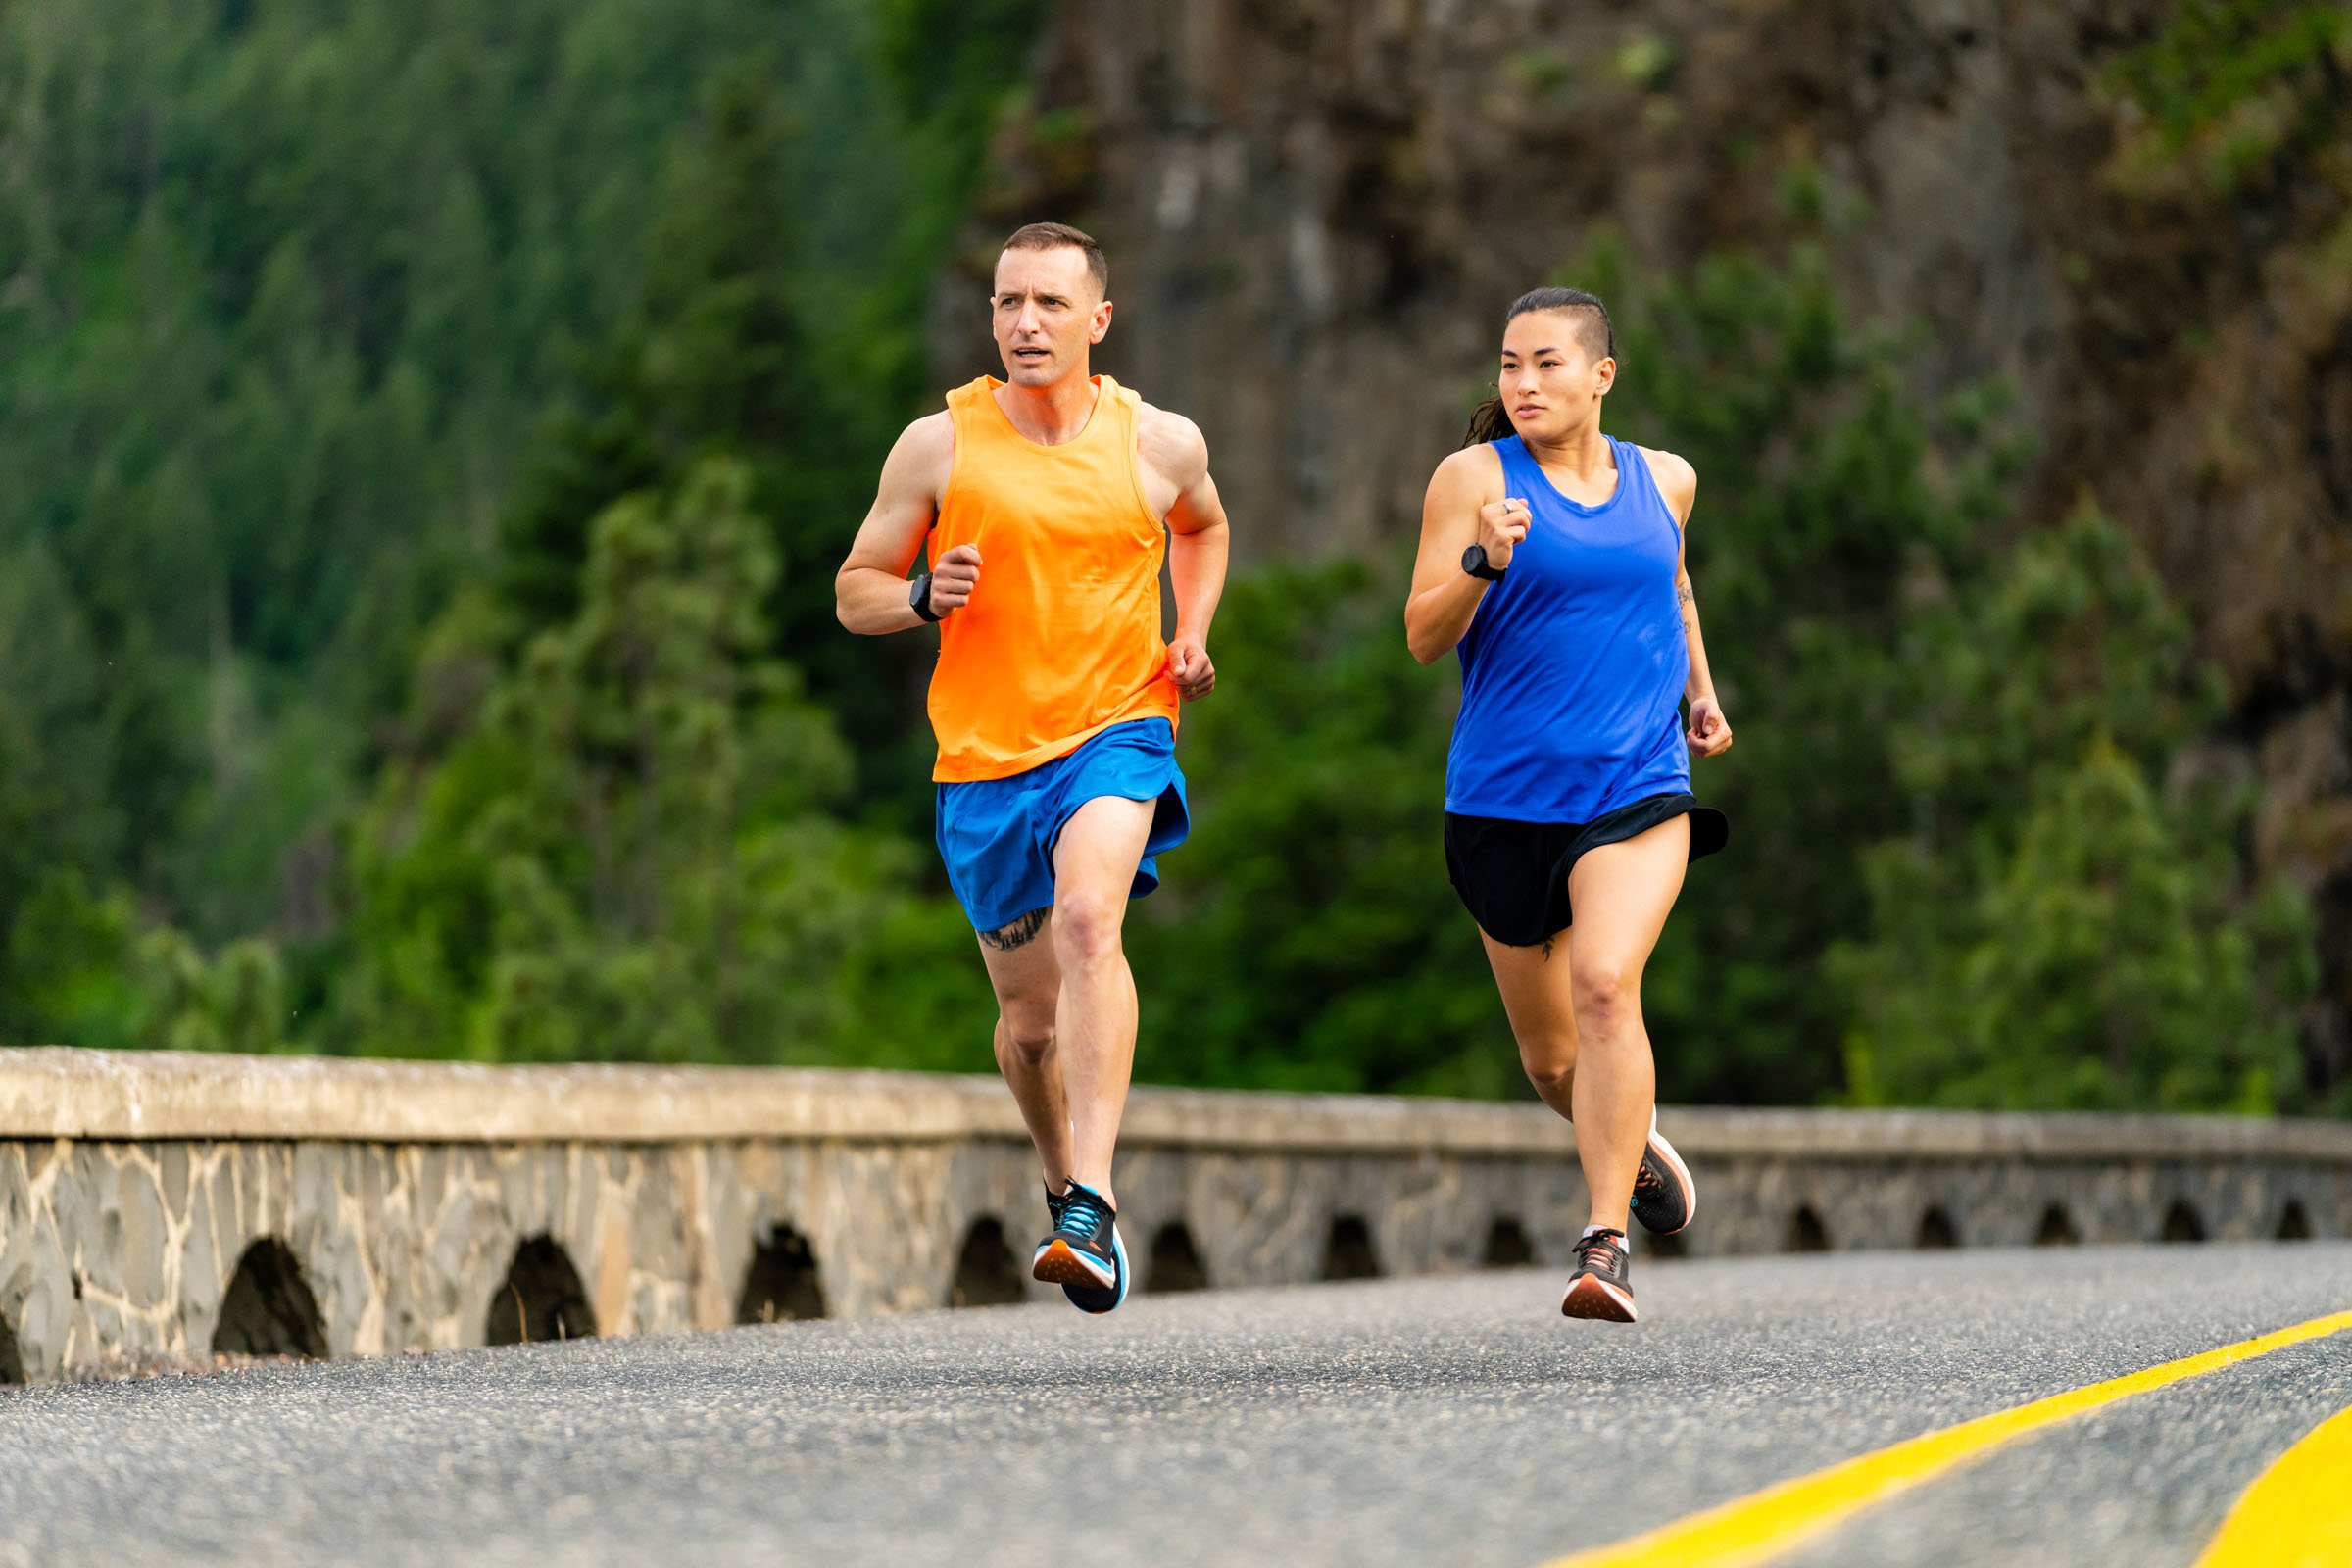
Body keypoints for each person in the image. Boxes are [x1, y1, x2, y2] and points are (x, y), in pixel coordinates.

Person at [835, 221, 1230, 1314]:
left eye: (1051, 304)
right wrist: (919, 596)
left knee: (1090, 920)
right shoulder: (938, 447)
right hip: (984, 766)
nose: (1024, 324)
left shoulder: (1160, 443)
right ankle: (1059, 1171)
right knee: (1029, 1028)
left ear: (1098, 321)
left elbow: (1205, 530)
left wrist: (1188, 632)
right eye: (1009, 302)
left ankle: (1093, 1203)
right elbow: (855, 587)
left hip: (1118, 726)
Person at [1404, 286, 1731, 1323]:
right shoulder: (1472, 480)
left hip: (1635, 788)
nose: (1524, 384)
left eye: (1547, 363)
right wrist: (1480, 561)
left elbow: (1671, 590)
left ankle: (1603, 1245)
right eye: (1509, 365)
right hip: (1501, 800)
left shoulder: (1665, 480)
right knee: (1551, 1059)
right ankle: (1629, 1142)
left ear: (1601, 375)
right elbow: (1420, 634)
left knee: (1604, 984)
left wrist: (1702, 694)